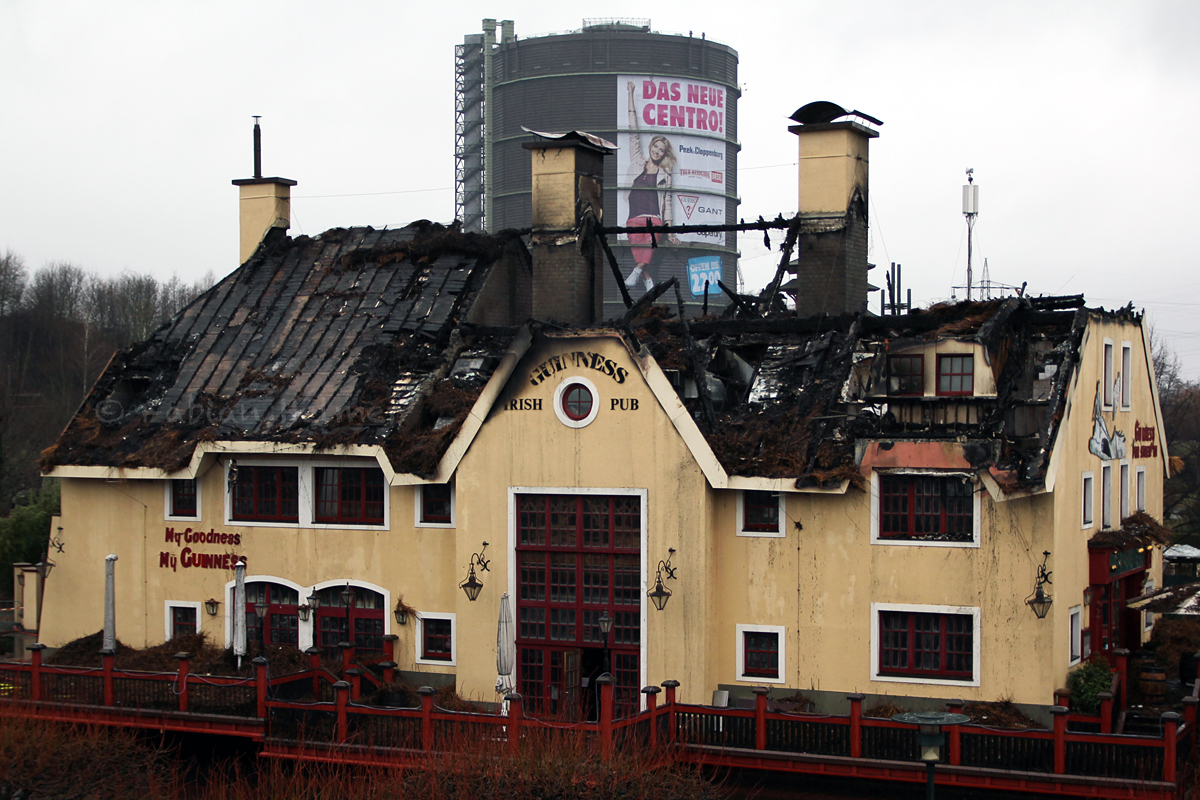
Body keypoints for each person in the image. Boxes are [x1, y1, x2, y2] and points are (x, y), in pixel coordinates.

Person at [624, 81, 680, 291]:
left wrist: (670, 230)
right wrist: (630, 93)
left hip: (654, 219)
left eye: (662, 150)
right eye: (656, 146)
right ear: (651, 147)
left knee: (651, 239)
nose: (657, 151)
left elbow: (667, 202)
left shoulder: (665, 174)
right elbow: (632, 129)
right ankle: (647, 279)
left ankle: (637, 271)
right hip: (633, 217)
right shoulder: (637, 159)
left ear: (665, 154)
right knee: (641, 246)